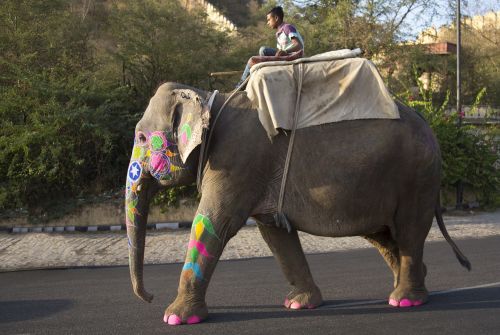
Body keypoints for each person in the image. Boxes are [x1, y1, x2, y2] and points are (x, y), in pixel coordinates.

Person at [236, 6, 304, 87]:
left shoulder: (287, 27)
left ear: (276, 18)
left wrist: (285, 51)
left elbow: (298, 45)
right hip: (285, 56)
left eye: (269, 20)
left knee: (262, 51)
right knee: (263, 52)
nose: (268, 22)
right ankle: (261, 74)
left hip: (293, 56)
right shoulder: (279, 33)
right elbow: (280, 51)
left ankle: (240, 85)